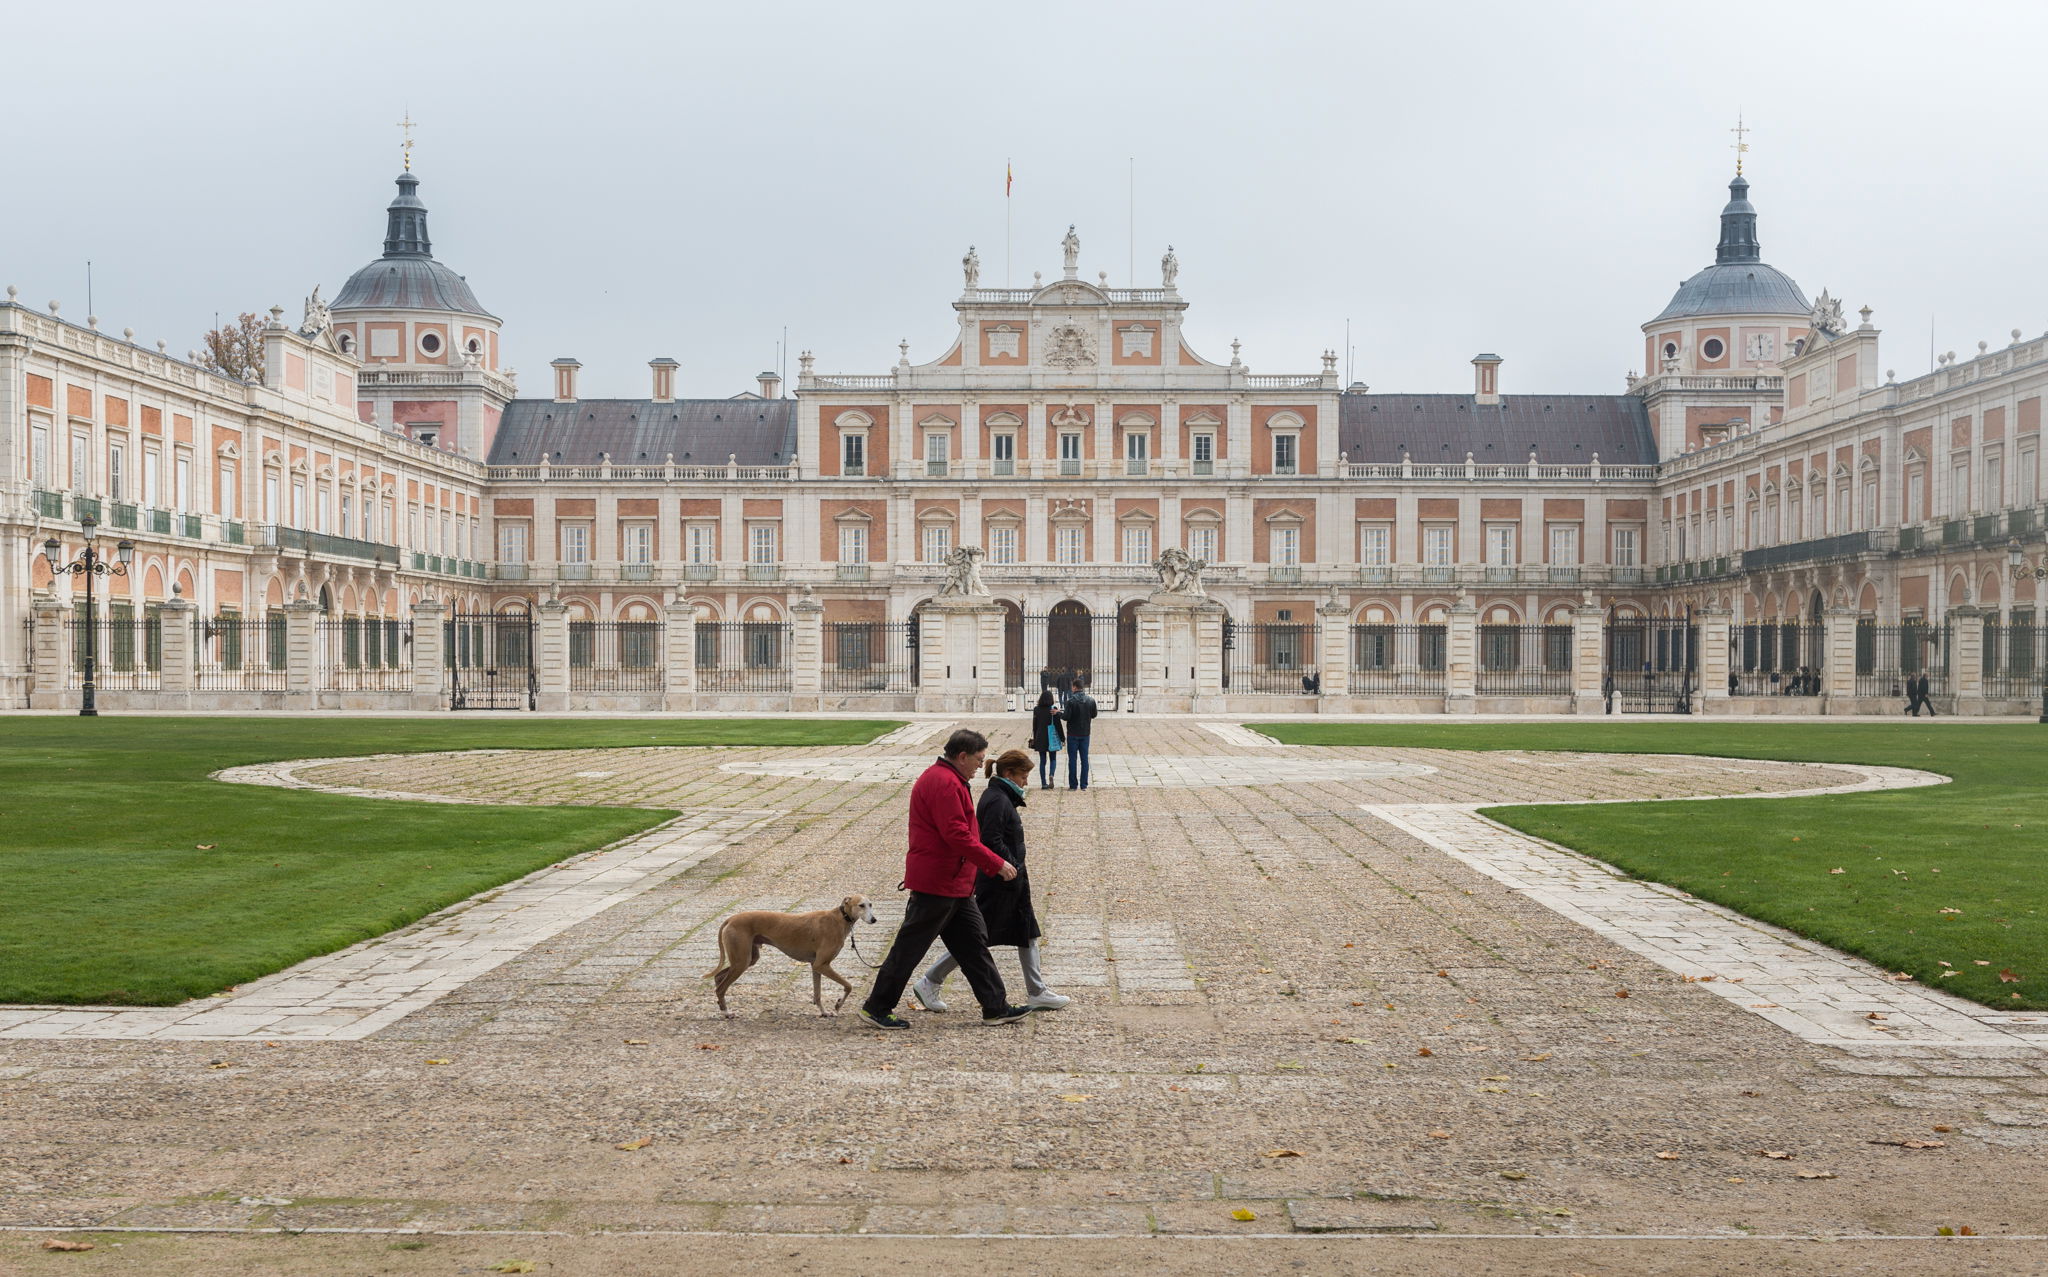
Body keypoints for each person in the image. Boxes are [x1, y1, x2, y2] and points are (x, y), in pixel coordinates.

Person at [858, 729, 1038, 1030]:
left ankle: (995, 1006)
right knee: (909, 948)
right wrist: (995, 864)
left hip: (954, 883)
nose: (982, 765)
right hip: (938, 883)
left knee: (974, 945)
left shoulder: (949, 779)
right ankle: (877, 1006)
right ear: (962, 756)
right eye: (978, 760)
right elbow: (957, 835)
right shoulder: (943, 783)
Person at [913, 749, 1070, 1013]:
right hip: (999, 880)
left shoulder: (1001, 796)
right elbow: (990, 840)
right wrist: (1012, 866)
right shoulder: (997, 800)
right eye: (1023, 776)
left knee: (1027, 931)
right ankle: (930, 980)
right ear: (1009, 774)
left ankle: (1037, 990)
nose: (1026, 782)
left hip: (1009, 877)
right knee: (975, 938)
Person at [1062, 678, 1098, 791]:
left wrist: (1058, 713)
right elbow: (1094, 715)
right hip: (1085, 733)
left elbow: (1066, 717)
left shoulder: (1070, 701)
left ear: (1074, 687)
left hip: (1072, 733)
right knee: (1084, 759)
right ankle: (1084, 785)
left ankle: (1073, 785)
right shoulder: (1091, 700)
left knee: (1072, 760)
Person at [1028, 687, 1064, 790]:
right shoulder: (1053, 709)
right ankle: (1051, 774)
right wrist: (1062, 738)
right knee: (1053, 759)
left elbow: (1034, 725)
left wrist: (1035, 738)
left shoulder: (1036, 709)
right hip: (1051, 737)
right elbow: (1058, 725)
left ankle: (1043, 783)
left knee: (1042, 761)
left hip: (1040, 737)